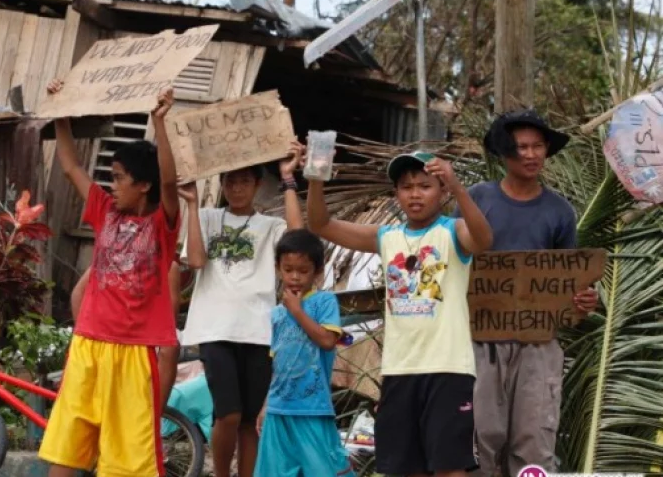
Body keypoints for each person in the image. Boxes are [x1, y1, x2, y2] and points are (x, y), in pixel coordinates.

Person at [306, 150, 494, 477]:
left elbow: (483, 239)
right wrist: (316, 174)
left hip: (447, 369)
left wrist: (460, 187)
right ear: (397, 194)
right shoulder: (387, 237)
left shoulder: (453, 231)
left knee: (450, 468)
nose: (415, 194)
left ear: (442, 191)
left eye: (425, 186)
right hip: (399, 370)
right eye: (406, 187)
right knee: (406, 468)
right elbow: (320, 223)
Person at [39, 79, 180, 477]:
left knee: (128, 463)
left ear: (144, 185)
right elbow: (70, 166)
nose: (111, 184)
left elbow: (169, 183)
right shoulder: (105, 212)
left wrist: (161, 123)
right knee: (66, 449)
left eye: (119, 177)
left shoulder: (162, 224)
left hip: (134, 353)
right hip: (88, 344)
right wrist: (61, 111)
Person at [461, 110, 599, 477]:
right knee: (479, 436)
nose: (531, 154)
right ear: (505, 153)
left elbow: (568, 282)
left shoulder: (560, 212)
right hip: (479, 341)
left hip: (539, 342)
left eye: (538, 146)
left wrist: (583, 301)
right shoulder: (478, 198)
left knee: (534, 439)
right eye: (521, 147)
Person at [178, 148, 304, 477]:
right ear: (221, 184)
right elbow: (194, 261)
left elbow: (299, 237)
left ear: (257, 184)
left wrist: (289, 177)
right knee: (228, 414)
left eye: (244, 181)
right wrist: (192, 205)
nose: (236, 188)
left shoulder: (270, 225)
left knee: (249, 420)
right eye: (230, 182)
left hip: (259, 331)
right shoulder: (205, 217)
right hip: (214, 330)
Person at [253, 229, 353, 477]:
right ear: (278, 268)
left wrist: (297, 311)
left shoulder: (324, 302)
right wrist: (266, 405)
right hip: (279, 408)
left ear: (317, 271)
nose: (295, 277)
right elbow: (277, 365)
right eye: (288, 270)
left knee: (322, 471)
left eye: (303, 270)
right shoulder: (276, 314)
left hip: (312, 407)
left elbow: (327, 341)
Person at [71, 262, 182, 405]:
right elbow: (78, 294)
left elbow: (168, 322)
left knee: (171, 348)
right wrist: (86, 334)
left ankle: (153, 415)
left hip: (143, 339)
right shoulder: (112, 258)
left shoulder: (167, 267)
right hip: (106, 338)